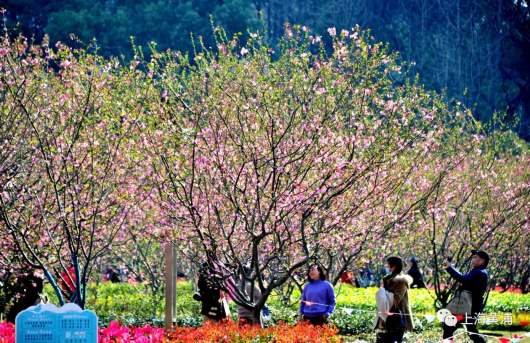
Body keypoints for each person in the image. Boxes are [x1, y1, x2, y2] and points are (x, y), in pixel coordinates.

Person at [443, 250, 489, 343]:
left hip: (469, 308)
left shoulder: (480, 272)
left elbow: (463, 278)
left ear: (482, 261)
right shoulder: (479, 271)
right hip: (469, 307)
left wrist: (449, 267)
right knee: (471, 332)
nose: (473, 260)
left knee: (449, 327)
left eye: (475, 258)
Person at [375, 256, 414, 343]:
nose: (387, 266)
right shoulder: (388, 278)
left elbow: (396, 299)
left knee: (396, 340)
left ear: (394, 266)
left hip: (398, 316)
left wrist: (382, 295)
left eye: (388, 264)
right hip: (389, 314)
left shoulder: (401, 280)